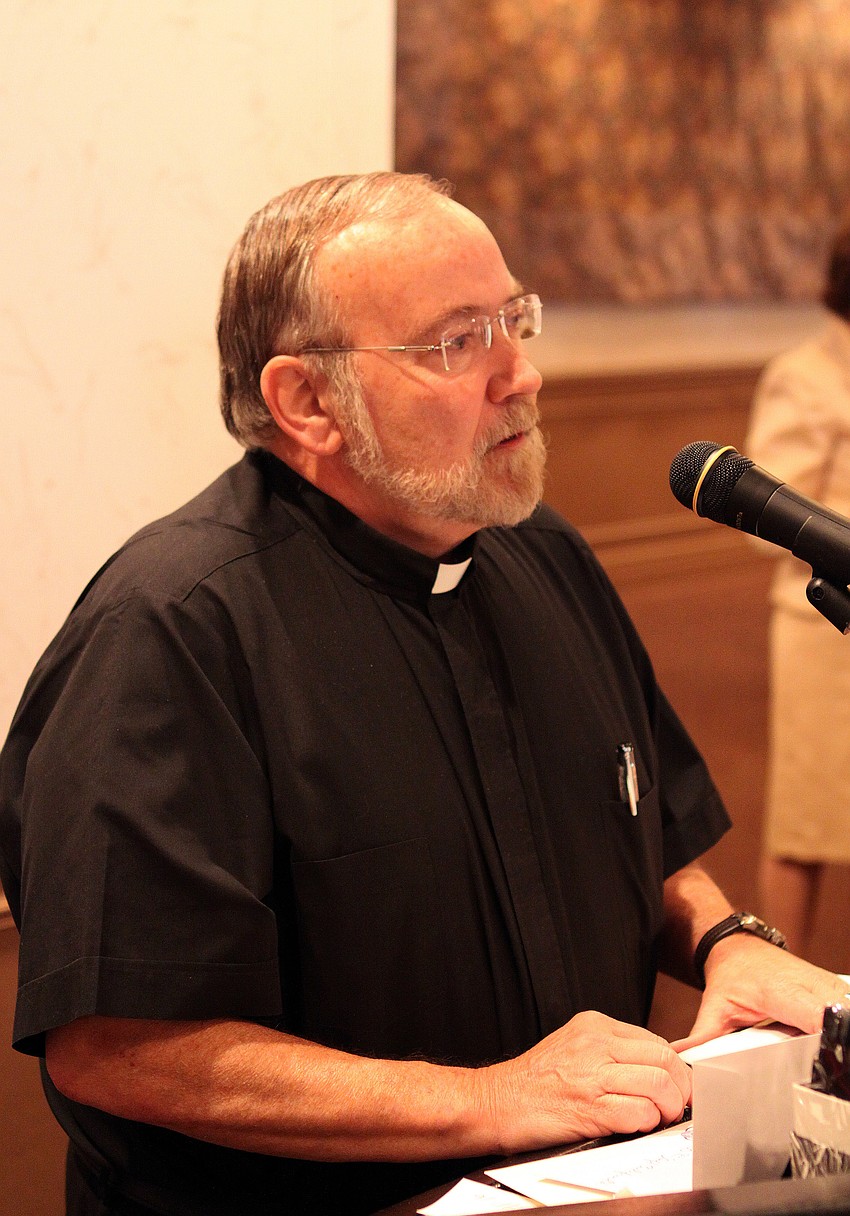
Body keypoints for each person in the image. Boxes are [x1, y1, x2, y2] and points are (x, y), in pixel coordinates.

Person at [0, 172, 844, 1216]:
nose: (521, 374)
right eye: (458, 342)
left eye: (513, 321)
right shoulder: (169, 633)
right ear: (305, 401)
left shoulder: (544, 555)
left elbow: (649, 835)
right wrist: (488, 1099)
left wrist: (725, 942)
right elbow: (118, 1045)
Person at [746, 214, 850, 959]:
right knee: (805, 826)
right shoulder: (806, 375)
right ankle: (773, 1007)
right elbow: (762, 516)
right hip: (825, 634)